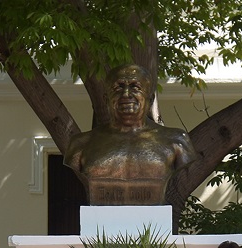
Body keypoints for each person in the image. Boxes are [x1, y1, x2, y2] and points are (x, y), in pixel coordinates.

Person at [63, 63, 196, 205]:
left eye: (135, 87)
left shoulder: (176, 141)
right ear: (106, 99)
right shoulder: (81, 144)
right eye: (118, 87)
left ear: (150, 99)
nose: (126, 94)